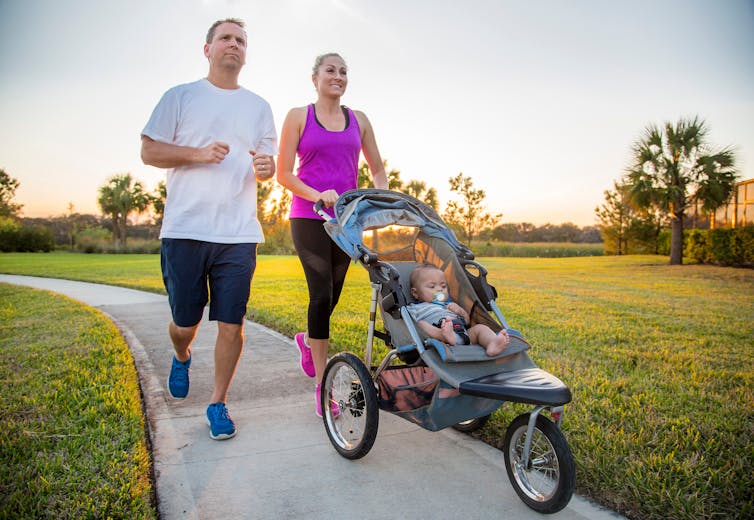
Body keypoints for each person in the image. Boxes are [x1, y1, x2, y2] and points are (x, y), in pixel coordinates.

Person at [140, 18, 277, 440]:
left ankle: (217, 403)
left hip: (238, 233)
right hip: (185, 229)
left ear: (245, 52)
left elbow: (268, 162)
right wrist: (198, 154)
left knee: (231, 324)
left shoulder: (258, 106)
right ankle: (181, 354)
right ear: (208, 49)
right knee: (185, 322)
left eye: (240, 40)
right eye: (225, 38)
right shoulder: (180, 96)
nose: (233, 45)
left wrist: (267, 167)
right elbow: (149, 150)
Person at [276, 52, 388, 417]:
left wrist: (378, 200)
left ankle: (308, 341)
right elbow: (283, 174)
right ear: (315, 77)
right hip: (308, 216)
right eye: (330, 70)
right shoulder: (298, 116)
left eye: (343, 71)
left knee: (333, 293)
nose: (337, 76)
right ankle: (323, 387)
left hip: (346, 220)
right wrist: (316, 194)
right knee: (320, 289)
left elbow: (376, 168)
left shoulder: (360, 120)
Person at [407, 264, 510, 357]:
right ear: (415, 293)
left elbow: (467, 322)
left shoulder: (449, 305)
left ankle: (492, 343)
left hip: (463, 334)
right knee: (420, 324)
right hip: (439, 338)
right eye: (432, 286)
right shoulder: (416, 308)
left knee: (480, 328)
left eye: (443, 286)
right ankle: (443, 335)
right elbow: (408, 322)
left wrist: (460, 311)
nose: (439, 289)